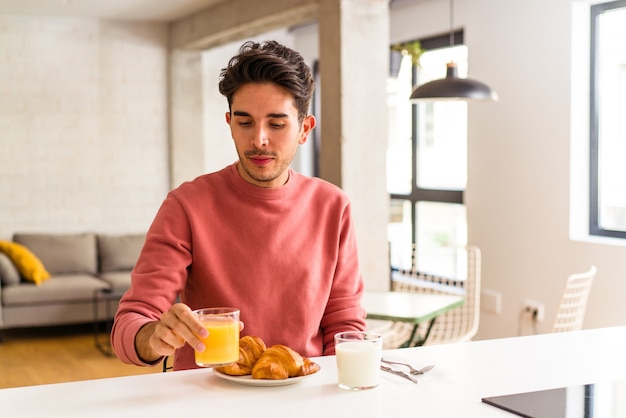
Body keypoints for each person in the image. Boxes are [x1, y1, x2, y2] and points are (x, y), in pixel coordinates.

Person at [111, 40, 367, 371]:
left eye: (276, 124)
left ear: (304, 129)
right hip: (207, 396)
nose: (259, 138)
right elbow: (131, 321)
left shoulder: (333, 206)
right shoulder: (186, 205)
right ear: (230, 122)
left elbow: (345, 326)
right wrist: (153, 336)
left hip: (302, 395)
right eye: (245, 122)